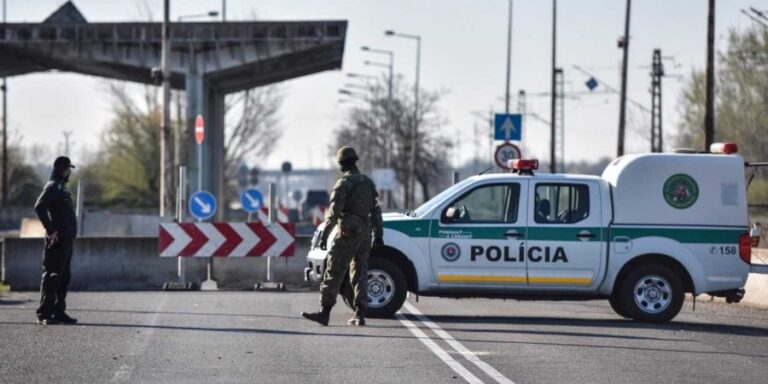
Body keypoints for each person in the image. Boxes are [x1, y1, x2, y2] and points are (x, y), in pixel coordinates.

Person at [302, 146, 384, 326]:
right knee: (360, 271)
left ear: (341, 164)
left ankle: (324, 312)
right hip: (365, 233)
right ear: (355, 161)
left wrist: (324, 236)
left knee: (334, 270)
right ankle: (360, 313)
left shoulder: (343, 184)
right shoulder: (368, 183)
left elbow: (333, 214)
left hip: (347, 232)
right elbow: (375, 211)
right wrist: (379, 235)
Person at [34, 156, 78, 325]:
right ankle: (44, 313)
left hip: (66, 240)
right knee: (52, 277)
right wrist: (51, 230)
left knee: (63, 277)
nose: (69, 173)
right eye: (68, 169)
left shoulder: (62, 189)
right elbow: (39, 207)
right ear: (62, 169)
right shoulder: (52, 187)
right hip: (56, 241)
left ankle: (58, 311)